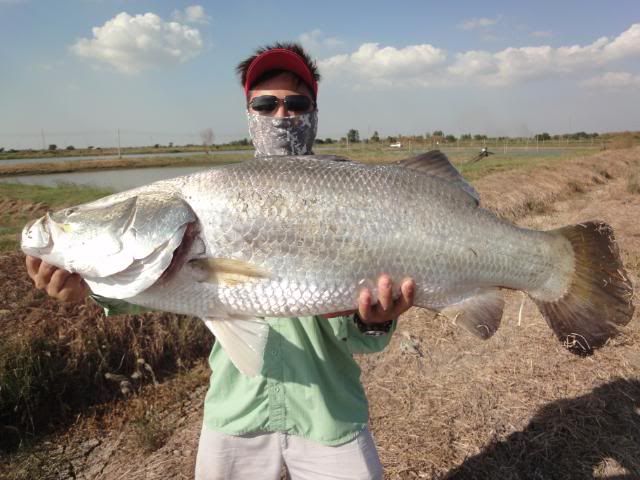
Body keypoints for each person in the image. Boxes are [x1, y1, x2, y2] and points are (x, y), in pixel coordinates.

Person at [25, 42, 415, 480]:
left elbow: (366, 342)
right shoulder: (215, 196)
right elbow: (156, 281)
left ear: (314, 112)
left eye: (296, 103)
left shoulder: (349, 196)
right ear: (249, 114)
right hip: (237, 415)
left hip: (331, 414)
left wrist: (374, 321)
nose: (281, 115)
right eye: (265, 104)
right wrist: (91, 286)